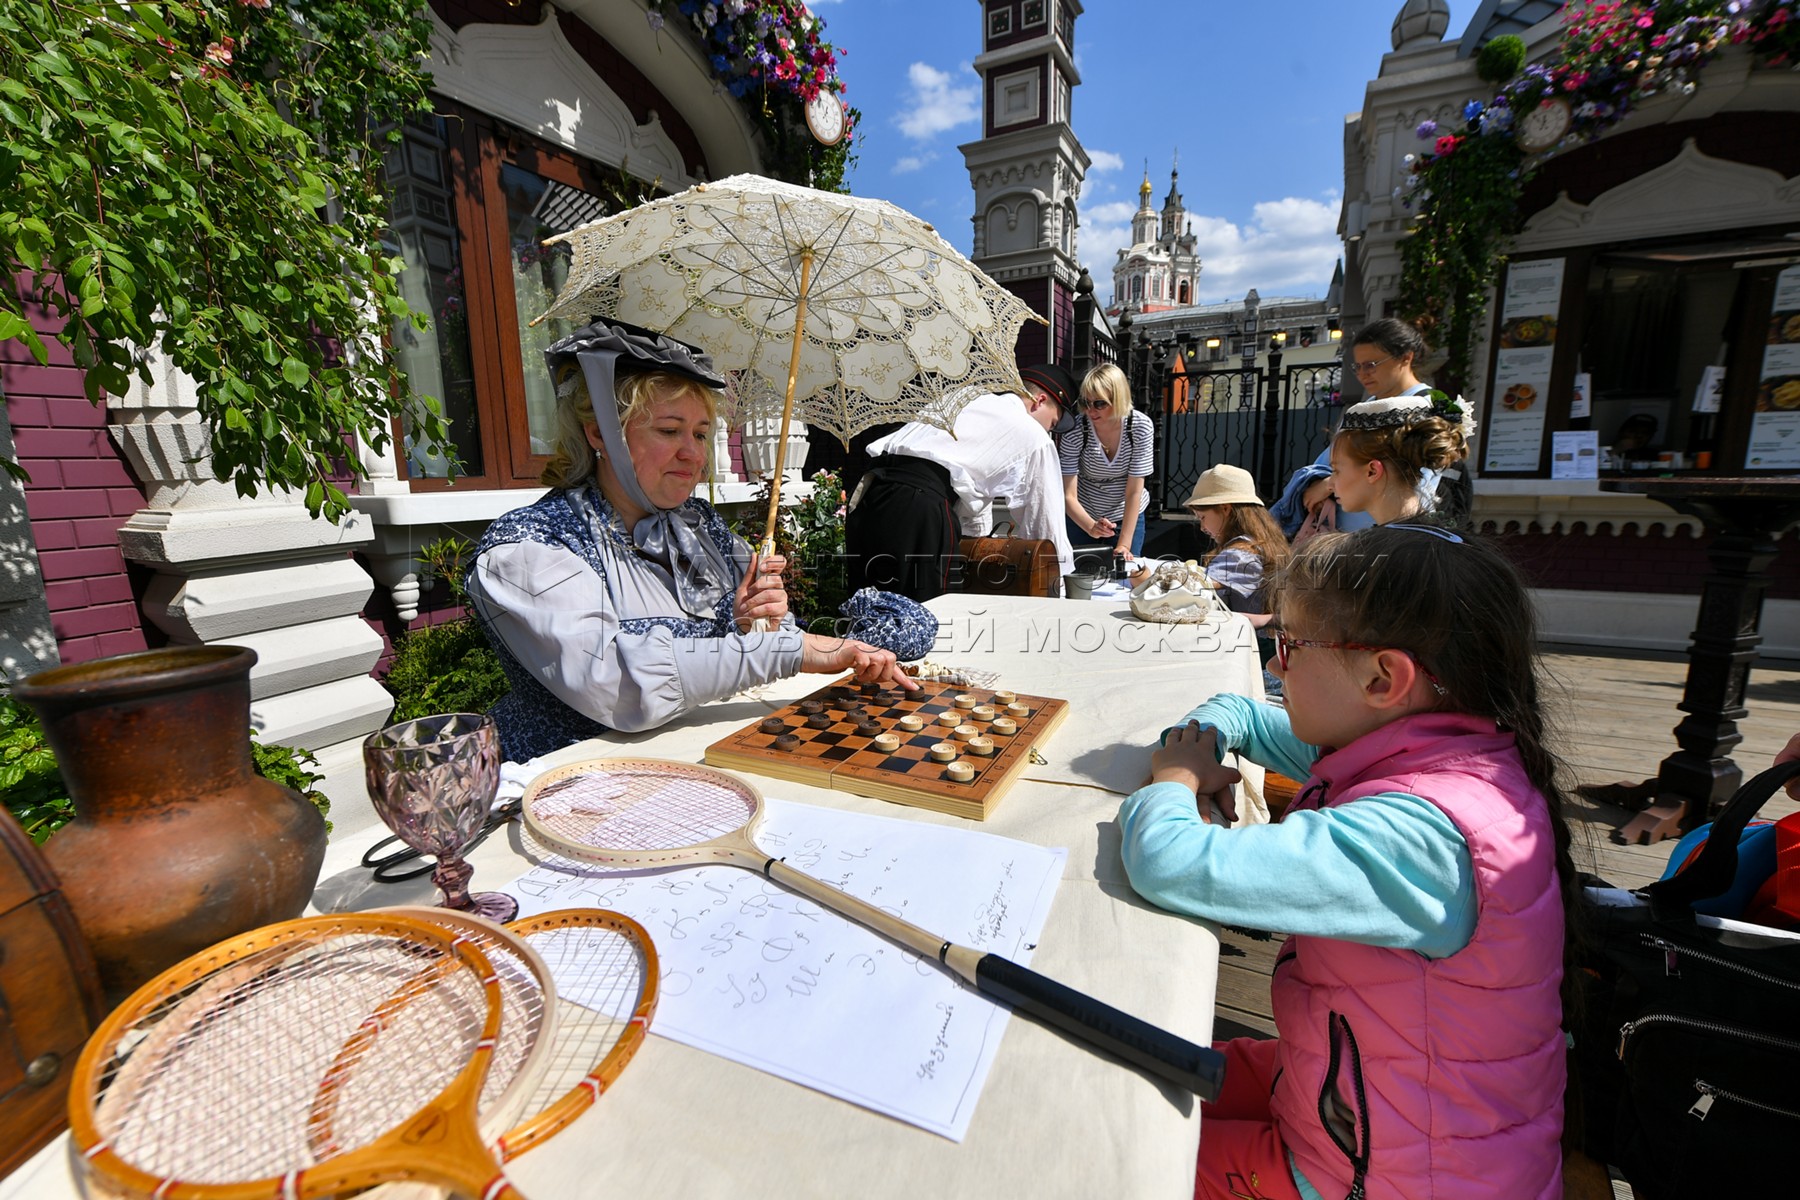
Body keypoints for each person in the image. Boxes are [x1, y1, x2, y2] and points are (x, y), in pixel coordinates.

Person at [1119, 525, 1577, 1200]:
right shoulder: (1441, 753)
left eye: (1291, 646)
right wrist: (1202, 739)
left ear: (1384, 676)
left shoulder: (1423, 834)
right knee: (1124, 1069)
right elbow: (1244, 713)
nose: (1276, 667)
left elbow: (1168, 862)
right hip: (1382, 1099)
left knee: (1113, 1147)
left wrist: (1177, 779)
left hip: (1388, 1176)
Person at [467, 318, 919, 762]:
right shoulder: (529, 548)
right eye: (669, 431)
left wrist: (751, 621)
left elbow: (747, 649)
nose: (693, 453)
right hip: (565, 787)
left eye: (701, 434)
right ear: (600, 432)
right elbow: (614, 682)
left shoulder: (697, 528)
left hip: (695, 763)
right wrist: (791, 650)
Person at [843, 364, 1078, 602]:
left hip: (869, 496)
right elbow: (1044, 519)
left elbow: (970, 485)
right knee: (926, 616)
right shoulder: (1034, 436)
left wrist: (972, 541)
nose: (1049, 431)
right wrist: (1060, 586)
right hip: (919, 507)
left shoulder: (963, 397)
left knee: (868, 610)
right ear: (1039, 401)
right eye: (1053, 423)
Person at [1270, 318, 1467, 536]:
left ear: (1405, 358)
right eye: (1357, 366)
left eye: (1372, 365)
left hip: (1384, 537)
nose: (1363, 373)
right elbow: (1332, 460)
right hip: (1345, 534)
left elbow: (1418, 484)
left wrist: (1328, 484)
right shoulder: (1366, 408)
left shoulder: (1428, 408)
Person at [1061, 362, 1154, 560]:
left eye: (1100, 403)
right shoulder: (1075, 429)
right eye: (1086, 402)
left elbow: (1134, 491)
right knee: (1080, 576)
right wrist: (1090, 526)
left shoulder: (1140, 427)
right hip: (1082, 513)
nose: (1091, 410)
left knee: (1125, 575)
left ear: (1118, 398)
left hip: (1126, 513)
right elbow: (1068, 494)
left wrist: (1124, 545)